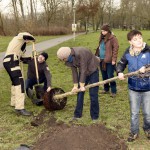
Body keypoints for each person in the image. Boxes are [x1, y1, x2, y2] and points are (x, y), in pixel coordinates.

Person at [116, 30, 150, 142]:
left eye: (140, 38)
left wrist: (146, 66)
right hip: (133, 88)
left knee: (148, 113)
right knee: (134, 113)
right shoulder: (127, 53)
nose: (139, 40)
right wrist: (119, 72)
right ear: (130, 42)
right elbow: (120, 64)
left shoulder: (148, 51)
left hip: (147, 88)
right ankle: (134, 132)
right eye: (135, 39)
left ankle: (148, 129)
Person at [57, 47, 100, 121]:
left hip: (93, 70)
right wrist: (75, 86)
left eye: (63, 59)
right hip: (83, 71)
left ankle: (94, 116)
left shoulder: (80, 53)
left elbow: (83, 69)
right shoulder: (69, 59)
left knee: (93, 94)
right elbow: (74, 72)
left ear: (67, 56)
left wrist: (82, 84)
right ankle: (77, 115)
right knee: (79, 94)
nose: (63, 61)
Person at [3, 32, 35, 116]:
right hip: (11, 61)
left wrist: (32, 58)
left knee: (15, 83)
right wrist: (33, 39)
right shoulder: (19, 37)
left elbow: (22, 59)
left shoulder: (19, 45)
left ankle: (14, 102)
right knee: (20, 84)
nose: (28, 42)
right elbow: (26, 36)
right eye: (27, 41)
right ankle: (20, 108)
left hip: (9, 61)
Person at [95, 24, 119, 97]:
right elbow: (100, 48)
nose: (103, 32)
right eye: (102, 31)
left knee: (110, 76)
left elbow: (115, 49)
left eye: (104, 31)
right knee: (104, 75)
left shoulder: (113, 38)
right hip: (101, 60)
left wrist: (114, 59)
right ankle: (106, 89)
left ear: (108, 31)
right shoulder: (101, 38)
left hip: (109, 60)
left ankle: (113, 91)